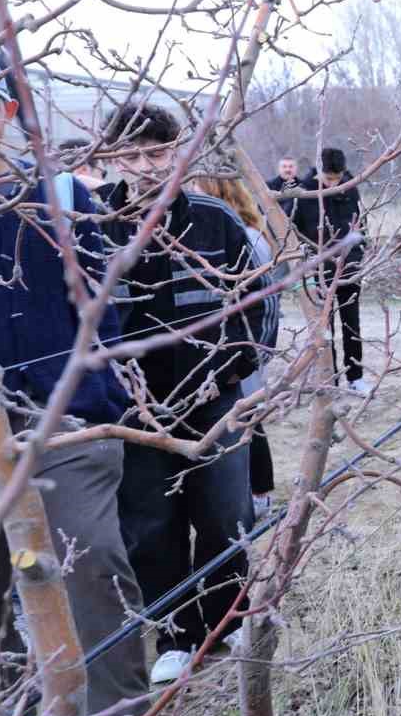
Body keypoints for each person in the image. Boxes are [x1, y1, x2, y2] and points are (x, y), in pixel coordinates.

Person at [0, 66, 213, 716]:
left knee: (93, 566)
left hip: (65, 423)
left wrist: (95, 395)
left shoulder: (57, 196)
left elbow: (97, 301)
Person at [101, 103, 266, 686]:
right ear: (112, 158)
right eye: (132, 155)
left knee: (225, 511)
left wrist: (232, 375)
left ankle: (229, 615)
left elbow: (256, 303)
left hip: (215, 400)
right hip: (132, 412)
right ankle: (176, 630)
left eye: (158, 152)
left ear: (177, 152)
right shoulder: (93, 227)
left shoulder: (213, 219)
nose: (147, 166)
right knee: (150, 524)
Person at [190, 175, 282, 518]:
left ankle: (260, 495)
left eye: (200, 192)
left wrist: (250, 354)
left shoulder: (248, 238)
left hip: (242, 349)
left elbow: (265, 301)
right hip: (226, 350)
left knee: (248, 419)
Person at [290, 148, 368, 394]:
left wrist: (358, 252)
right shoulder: (303, 191)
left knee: (352, 323)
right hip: (319, 269)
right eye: (329, 179)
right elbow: (295, 230)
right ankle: (329, 378)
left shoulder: (350, 187)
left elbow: (360, 224)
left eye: (337, 178)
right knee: (324, 327)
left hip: (349, 267)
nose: (334, 183)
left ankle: (355, 377)